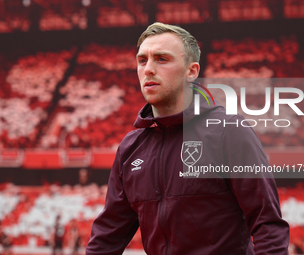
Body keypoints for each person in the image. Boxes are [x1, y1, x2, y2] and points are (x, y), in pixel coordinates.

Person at [86, 22, 289, 255]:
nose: (149, 69)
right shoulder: (130, 148)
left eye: (162, 59)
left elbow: (268, 225)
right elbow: (108, 234)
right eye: (142, 60)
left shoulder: (229, 130)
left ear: (191, 71)